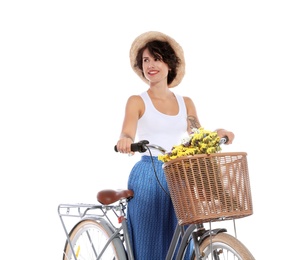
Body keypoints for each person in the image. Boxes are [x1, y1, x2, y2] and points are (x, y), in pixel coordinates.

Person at [115, 31, 235, 260]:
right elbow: (127, 130)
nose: (150, 65)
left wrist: (216, 133)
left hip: (179, 173)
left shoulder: (185, 103)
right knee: (149, 238)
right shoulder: (137, 101)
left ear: (169, 64)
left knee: (182, 238)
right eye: (145, 60)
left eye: (156, 58)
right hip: (149, 172)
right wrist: (126, 140)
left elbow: (197, 135)